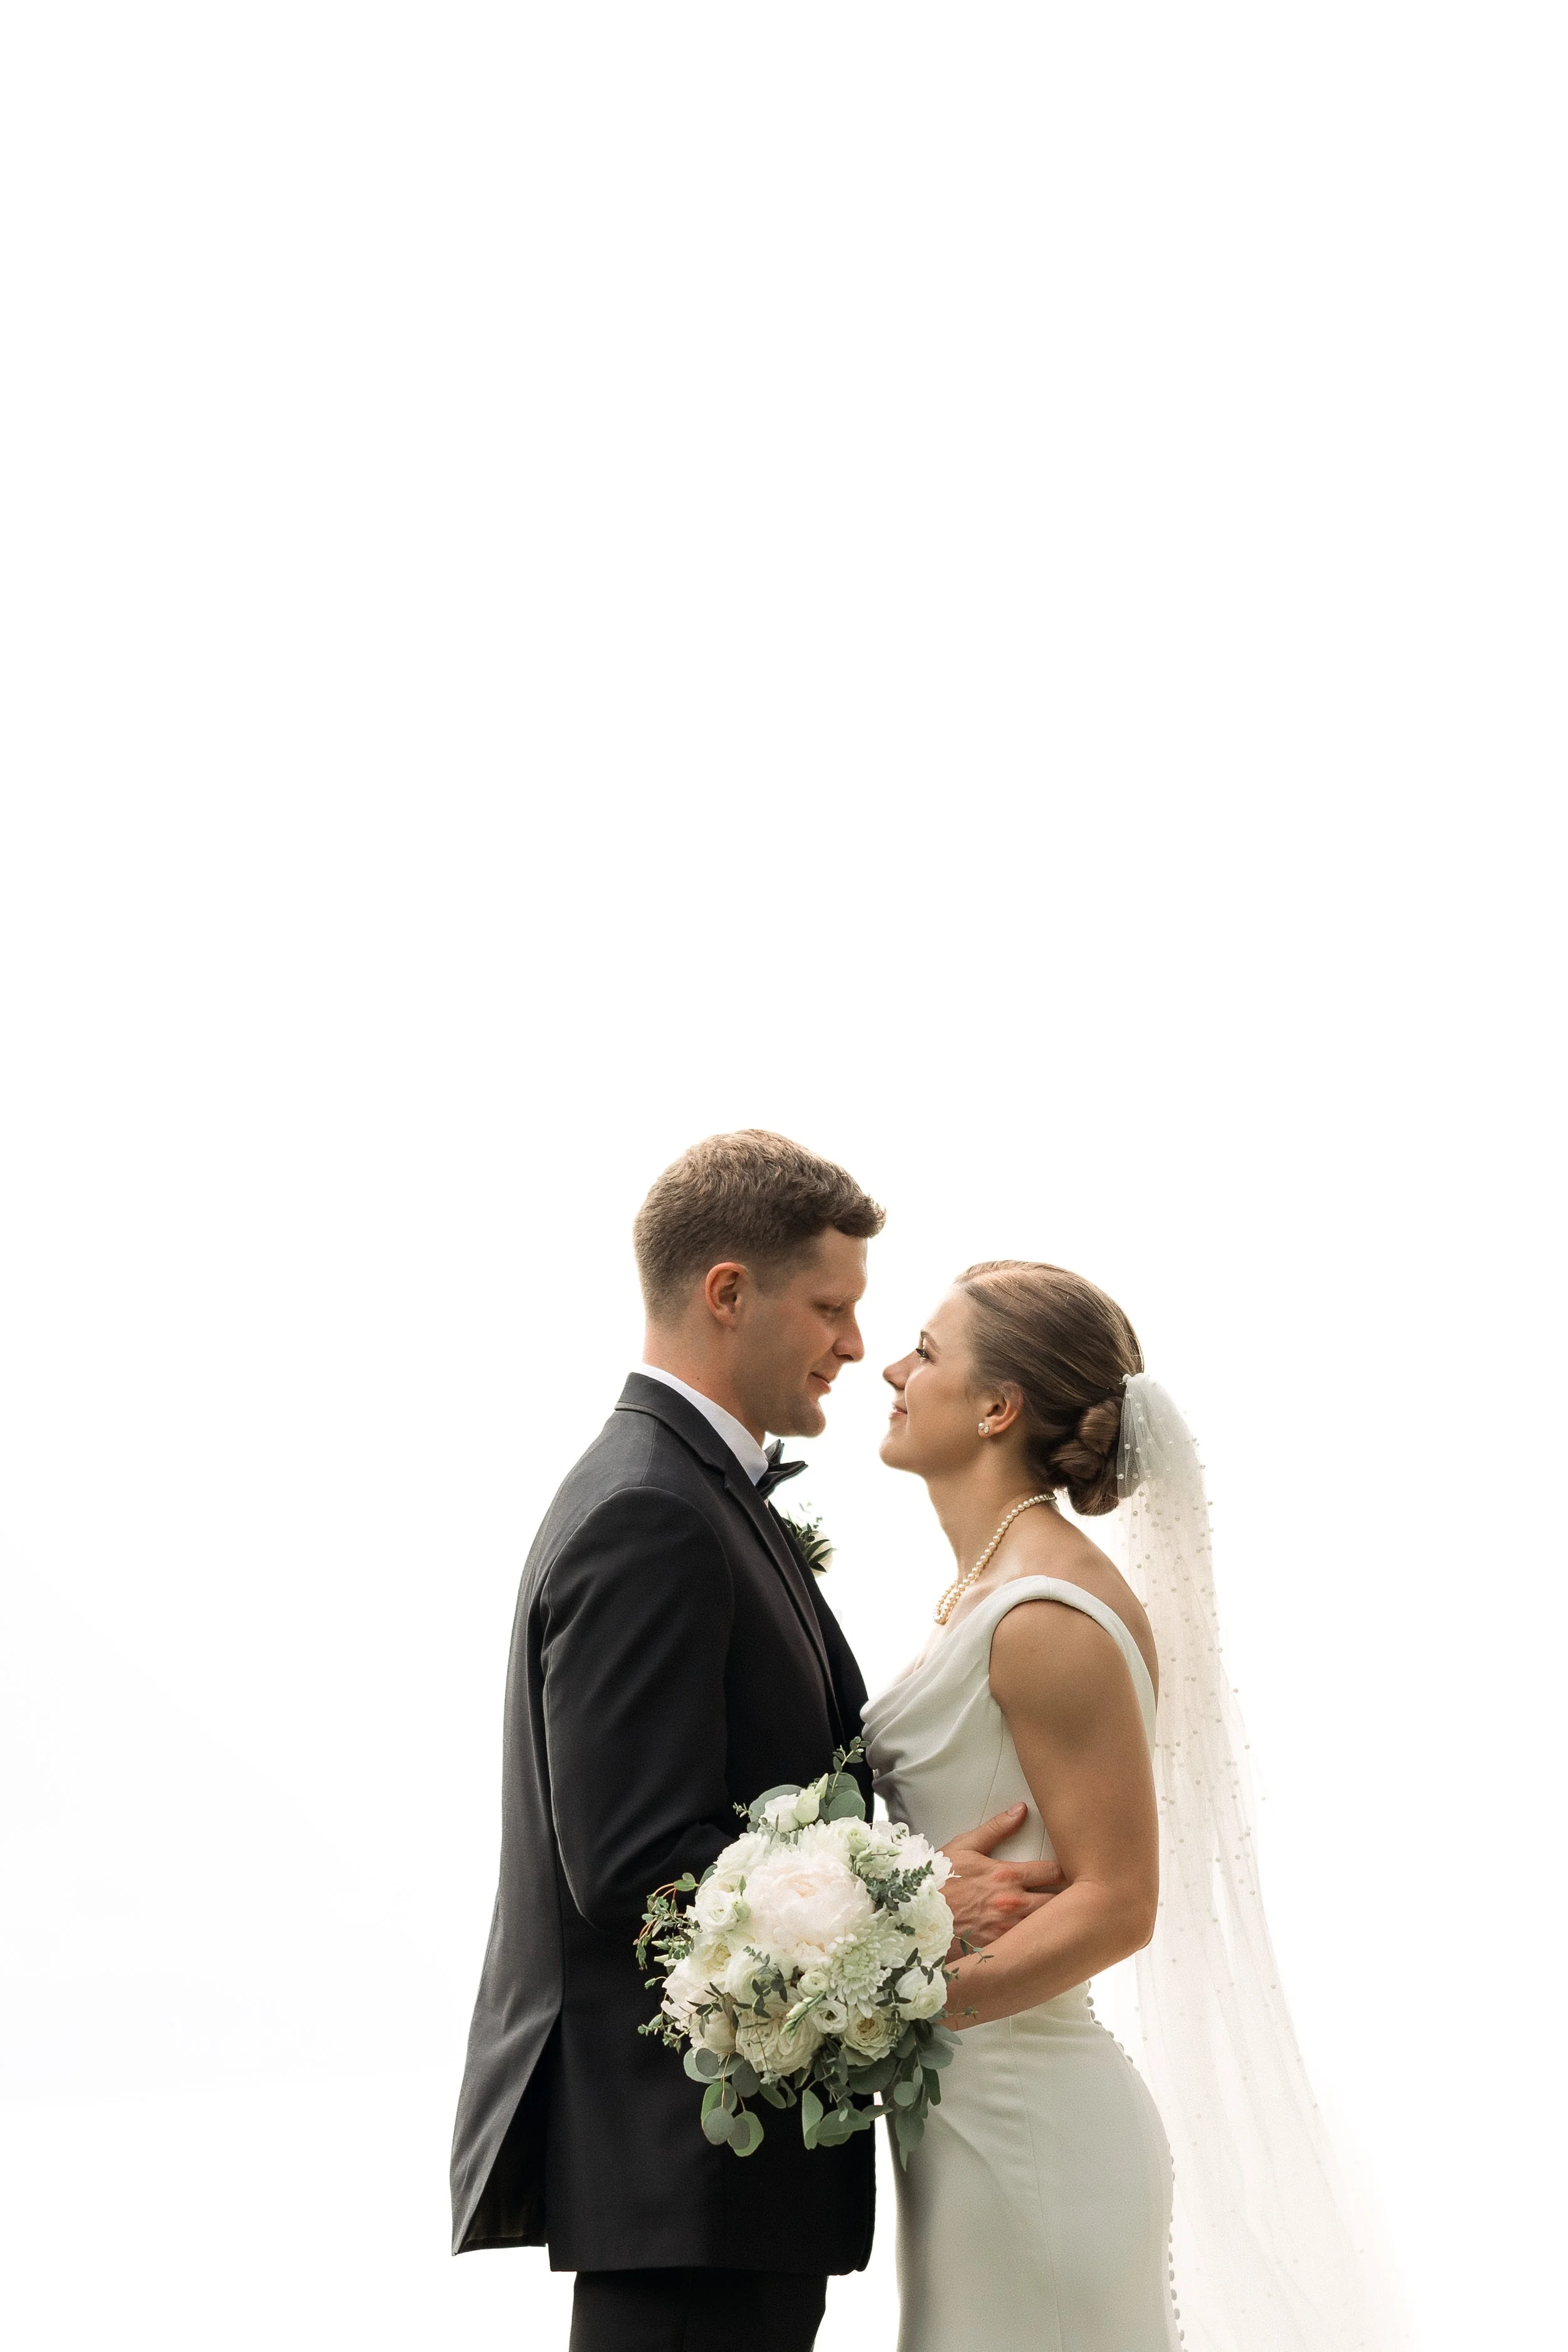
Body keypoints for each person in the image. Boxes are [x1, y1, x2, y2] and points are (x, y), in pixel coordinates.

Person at [450, 1138, 1066, 2352]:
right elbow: (637, 1864)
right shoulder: (649, 1513)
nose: (854, 1345)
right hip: (686, 2186)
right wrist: (910, 1908)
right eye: (832, 1306)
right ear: (729, 1293)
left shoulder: (702, 1496)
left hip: (731, 2194)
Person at [865, 1260, 1397, 2352]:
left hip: (1030, 2125)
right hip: (965, 2119)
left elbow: (1117, 1901)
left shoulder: (1047, 1615)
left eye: (924, 1350)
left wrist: (891, 2013)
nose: (892, 1368)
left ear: (997, 1406)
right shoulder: (986, 1591)